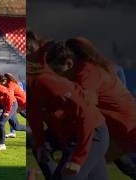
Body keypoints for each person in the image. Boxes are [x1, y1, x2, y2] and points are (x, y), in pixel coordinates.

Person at [45, 37, 136, 179]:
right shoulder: (88, 69)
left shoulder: (87, 73)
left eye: (57, 72)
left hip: (127, 131)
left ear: (69, 63)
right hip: (119, 133)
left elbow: (85, 111)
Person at [27, 61, 109, 179]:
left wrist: (78, 159)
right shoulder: (30, 88)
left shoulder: (47, 83)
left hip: (91, 134)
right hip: (73, 135)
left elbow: (86, 115)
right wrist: (40, 144)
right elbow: (34, 116)